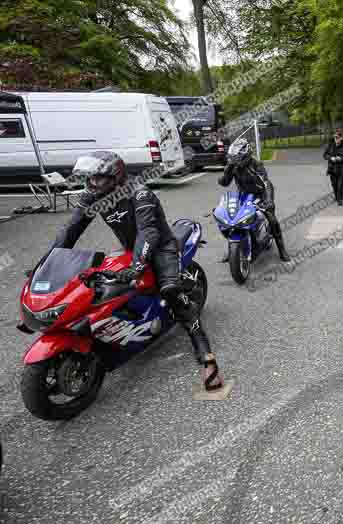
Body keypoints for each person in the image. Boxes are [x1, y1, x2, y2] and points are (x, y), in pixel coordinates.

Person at [45, 151, 225, 392]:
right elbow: (72, 228)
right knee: (101, 288)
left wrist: (137, 267)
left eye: (97, 179)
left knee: (170, 291)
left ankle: (204, 353)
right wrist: (48, 260)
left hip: (161, 247)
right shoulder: (94, 195)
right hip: (130, 249)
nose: (91, 184)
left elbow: (148, 232)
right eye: (89, 179)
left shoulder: (140, 194)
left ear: (115, 177)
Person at [218, 138, 291, 262]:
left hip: (260, 195)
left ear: (245, 155)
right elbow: (224, 183)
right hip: (243, 196)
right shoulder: (233, 165)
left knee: (272, 219)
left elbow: (266, 183)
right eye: (233, 157)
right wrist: (227, 170)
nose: (235, 160)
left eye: (237, 157)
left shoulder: (256, 164)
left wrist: (269, 201)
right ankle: (233, 248)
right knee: (231, 220)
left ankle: (282, 249)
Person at [323, 128, 343, 206]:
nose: (336, 139)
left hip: (342, 169)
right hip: (332, 169)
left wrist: (341, 158)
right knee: (334, 184)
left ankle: (340, 199)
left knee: (340, 185)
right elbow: (325, 155)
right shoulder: (330, 146)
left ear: (341, 138)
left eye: (338, 138)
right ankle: (336, 197)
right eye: (335, 137)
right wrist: (330, 158)